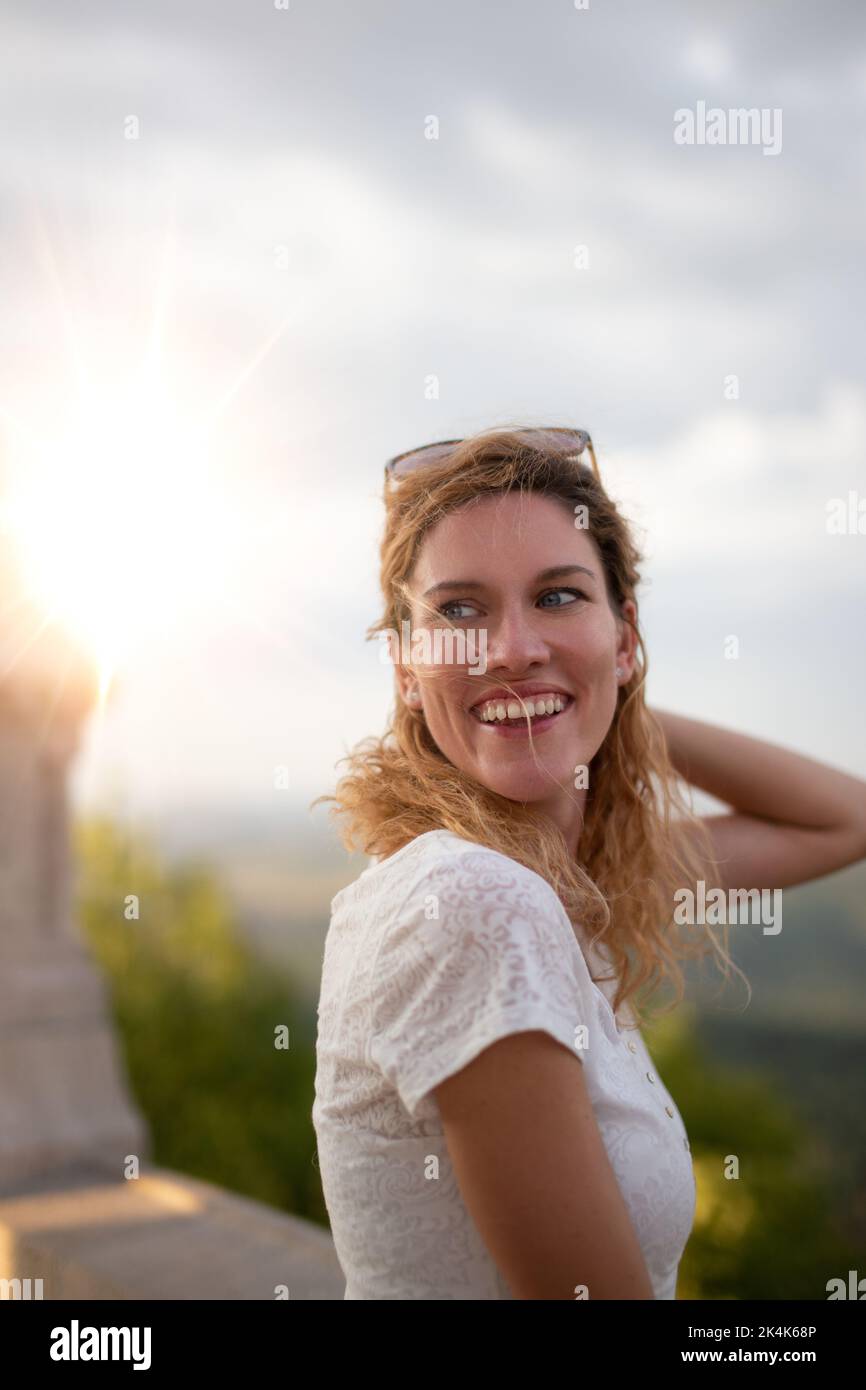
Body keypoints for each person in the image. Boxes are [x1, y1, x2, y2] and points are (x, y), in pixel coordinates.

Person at [311, 424, 866, 1300]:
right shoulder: (471, 900)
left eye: (559, 597)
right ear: (407, 669)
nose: (510, 647)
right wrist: (569, 685)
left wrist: (582, 688)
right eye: (459, 611)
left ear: (627, 632)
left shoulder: (572, 875)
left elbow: (844, 820)